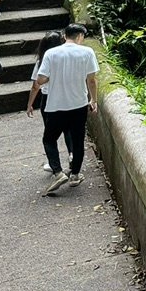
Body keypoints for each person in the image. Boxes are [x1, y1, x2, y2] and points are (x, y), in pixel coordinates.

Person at [35, 23, 98, 196]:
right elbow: (91, 80)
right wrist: (94, 100)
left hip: (55, 106)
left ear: (65, 36)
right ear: (80, 36)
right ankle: (75, 175)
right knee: (77, 141)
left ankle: (58, 172)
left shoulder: (51, 53)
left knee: (49, 139)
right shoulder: (87, 52)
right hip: (78, 105)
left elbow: (40, 80)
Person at [26, 31, 72, 169]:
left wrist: (30, 104)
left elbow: (36, 86)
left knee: (50, 136)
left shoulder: (42, 60)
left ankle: (55, 166)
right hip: (67, 98)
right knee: (68, 129)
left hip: (49, 100)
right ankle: (72, 154)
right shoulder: (69, 57)